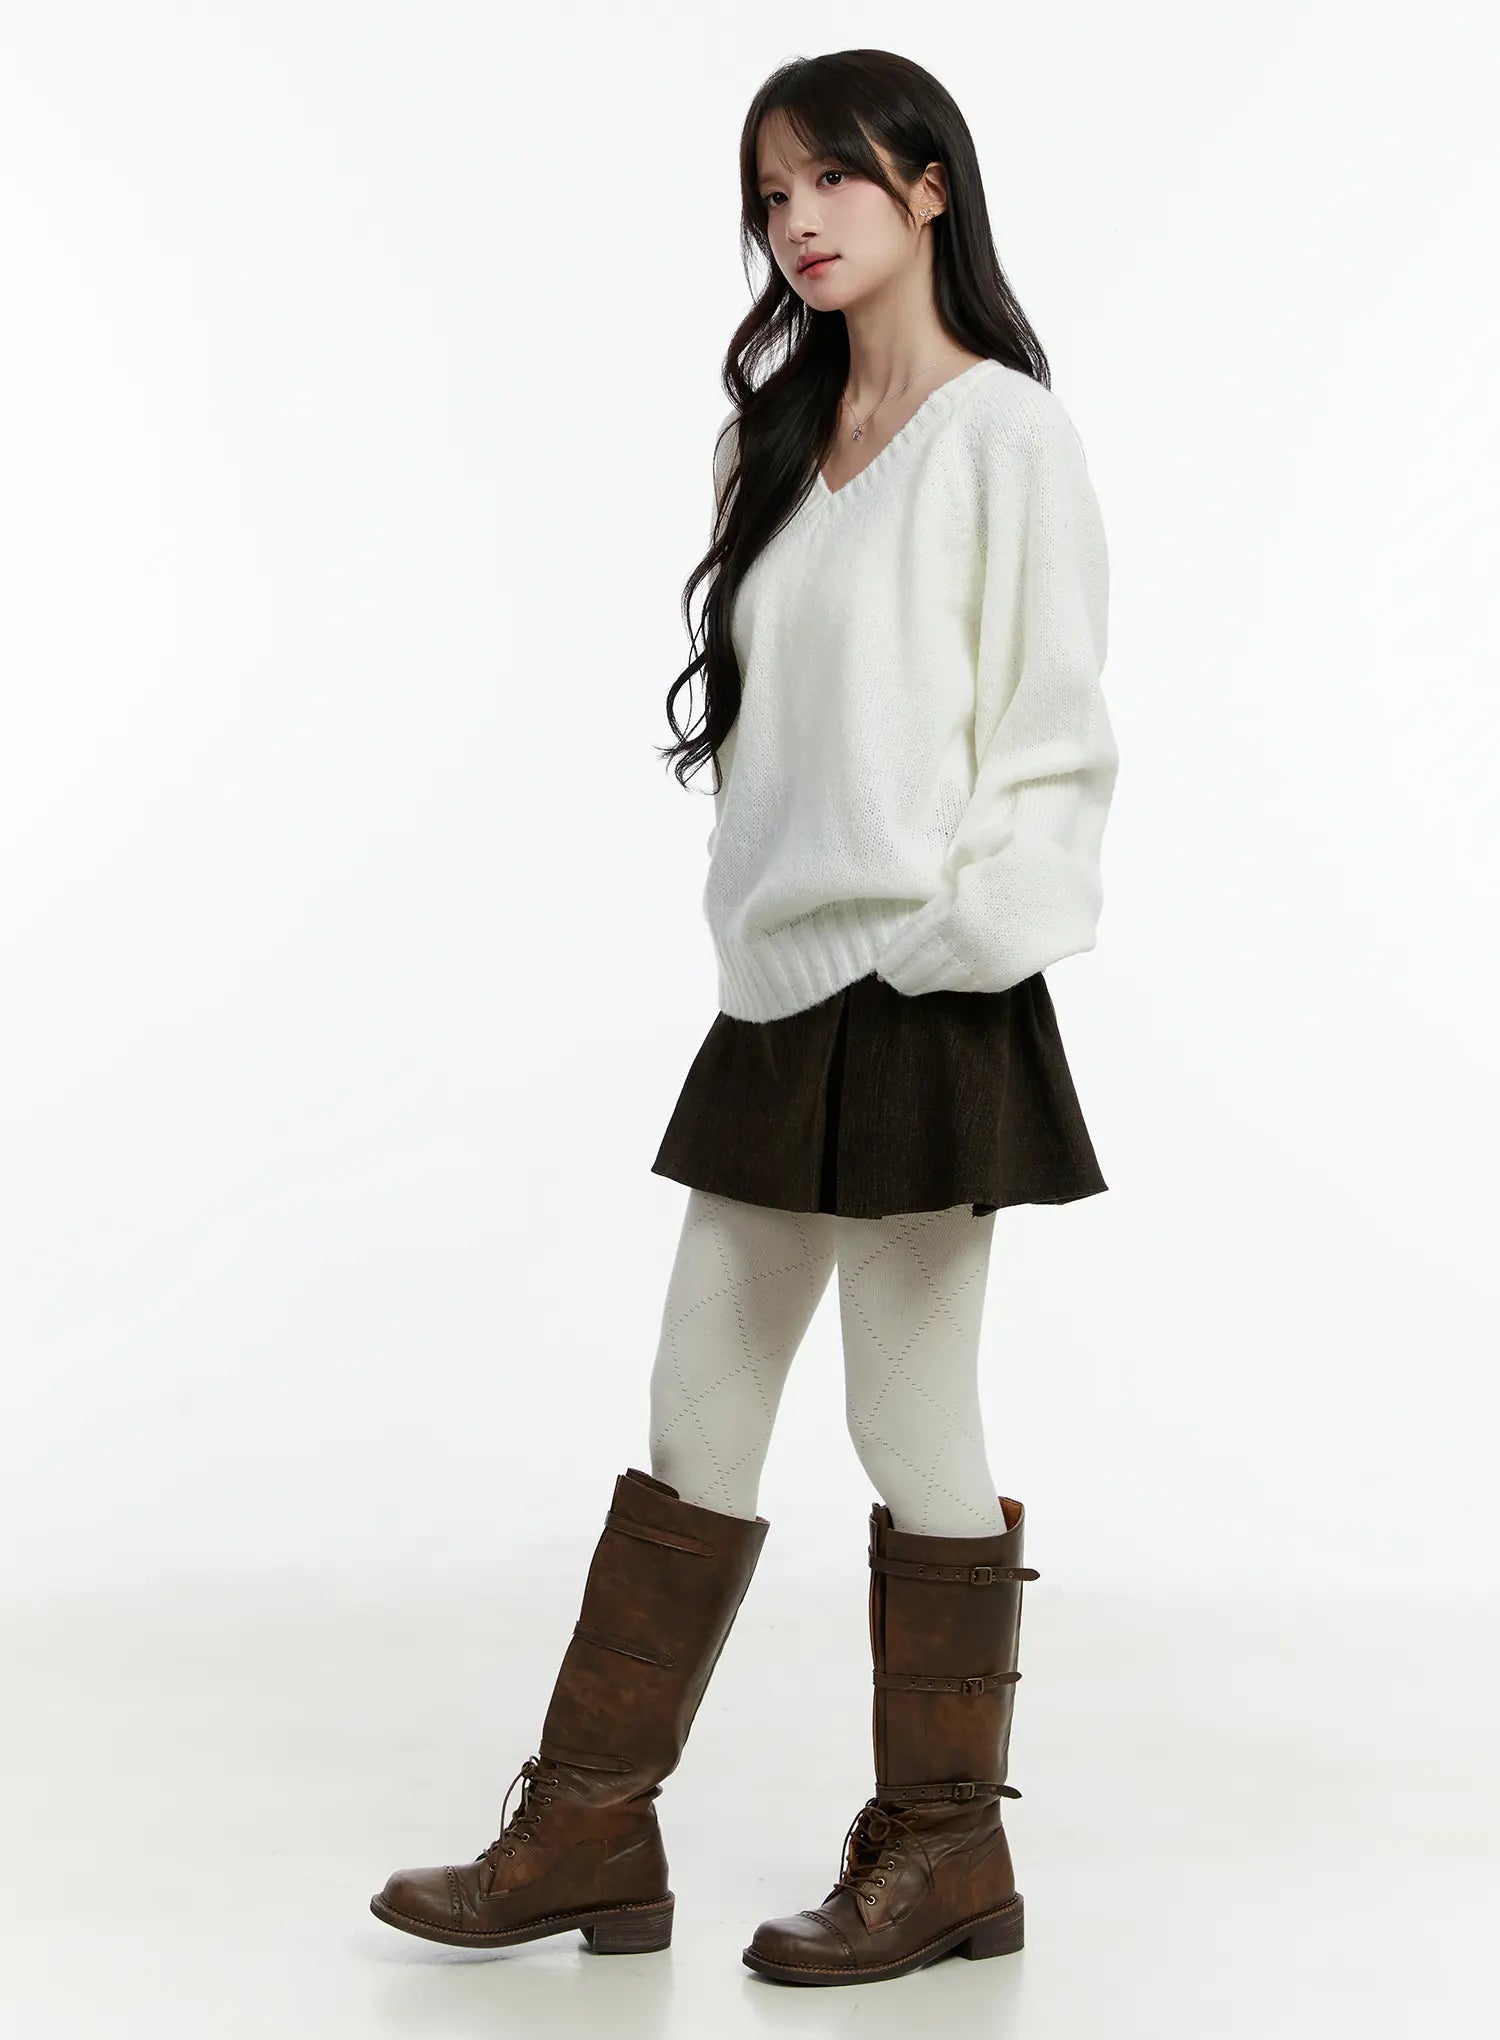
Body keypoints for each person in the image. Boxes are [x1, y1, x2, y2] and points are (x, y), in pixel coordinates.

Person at [371, 46, 1118, 1988]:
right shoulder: (772, 443)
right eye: (770, 194)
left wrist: (960, 935)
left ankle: (946, 1850)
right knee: (695, 1401)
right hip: (781, 998)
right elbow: (775, 753)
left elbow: (1053, 741)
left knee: (903, 1411)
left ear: (929, 187)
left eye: (831, 180)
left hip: (933, 995)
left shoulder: (1004, 435)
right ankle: (589, 1829)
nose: (797, 221)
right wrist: (756, 928)